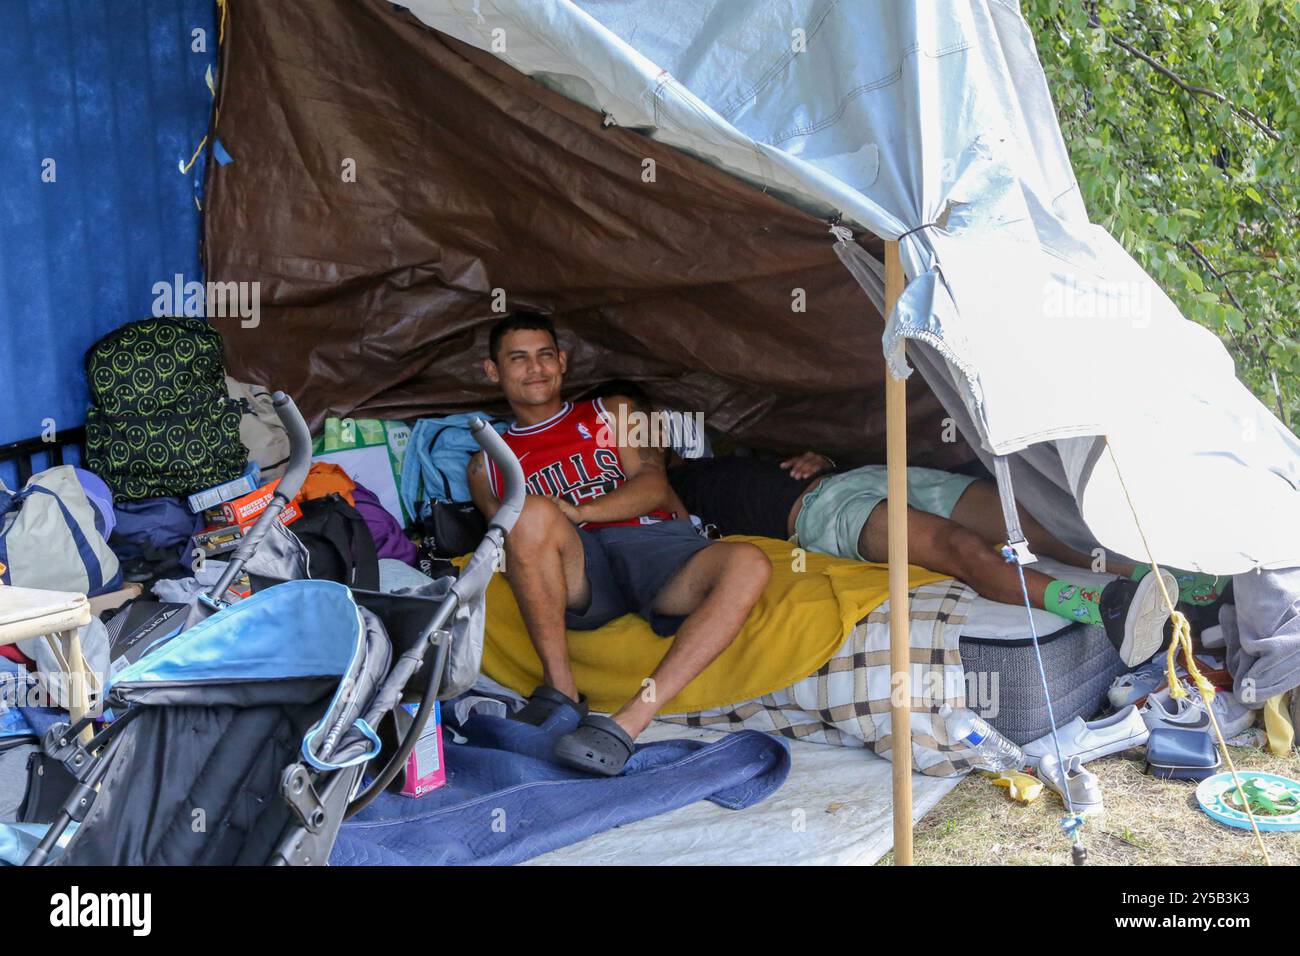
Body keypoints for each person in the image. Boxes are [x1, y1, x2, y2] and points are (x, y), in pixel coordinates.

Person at [467, 311, 771, 775]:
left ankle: (625, 725)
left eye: (546, 355)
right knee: (528, 514)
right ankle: (562, 695)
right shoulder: (486, 464)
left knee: (750, 562)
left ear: (563, 361)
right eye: (519, 359)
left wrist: (581, 511)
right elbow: (512, 548)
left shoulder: (613, 411)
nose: (536, 369)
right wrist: (557, 518)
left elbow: (650, 482)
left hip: (655, 545)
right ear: (494, 370)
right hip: (580, 572)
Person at [668, 452, 1225, 666]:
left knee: (1031, 527)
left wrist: (820, 455)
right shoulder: (669, 493)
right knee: (963, 549)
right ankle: (1107, 606)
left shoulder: (720, 451)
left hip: (860, 477)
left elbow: (798, 451)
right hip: (817, 515)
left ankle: (1164, 577)